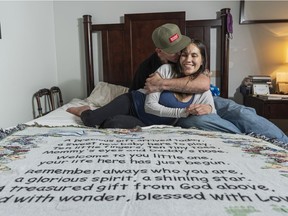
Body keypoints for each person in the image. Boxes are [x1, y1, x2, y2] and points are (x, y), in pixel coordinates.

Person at [67, 38, 216, 128]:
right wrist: (183, 112)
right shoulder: (165, 70)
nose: (188, 59)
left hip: (148, 124)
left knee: (113, 125)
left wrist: (208, 109)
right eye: (184, 54)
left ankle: (105, 117)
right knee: (91, 120)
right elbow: (149, 106)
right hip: (133, 103)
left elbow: (212, 112)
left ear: (202, 60)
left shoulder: (203, 87)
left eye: (194, 55)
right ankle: (84, 110)